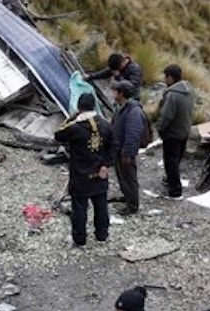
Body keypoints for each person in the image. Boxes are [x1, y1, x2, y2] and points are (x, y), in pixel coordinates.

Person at [53, 92, 113, 246]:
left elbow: (58, 135)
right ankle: (102, 234)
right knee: (101, 205)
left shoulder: (75, 128)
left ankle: (79, 239)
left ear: (79, 108)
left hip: (81, 174)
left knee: (79, 207)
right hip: (100, 172)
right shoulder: (106, 125)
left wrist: (72, 117)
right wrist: (106, 164)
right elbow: (113, 146)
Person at [156, 63, 195, 199]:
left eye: (166, 77)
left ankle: (175, 191)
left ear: (171, 78)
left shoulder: (172, 95)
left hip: (172, 134)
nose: (164, 80)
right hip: (184, 130)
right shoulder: (189, 90)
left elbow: (167, 116)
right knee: (176, 159)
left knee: (170, 162)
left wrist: (160, 128)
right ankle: (170, 180)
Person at [111, 80, 145, 215]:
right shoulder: (123, 107)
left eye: (115, 91)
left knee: (129, 177)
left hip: (125, 151)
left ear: (121, 93)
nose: (113, 94)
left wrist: (128, 154)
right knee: (122, 176)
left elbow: (133, 134)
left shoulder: (133, 111)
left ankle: (132, 205)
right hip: (119, 149)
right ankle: (127, 196)